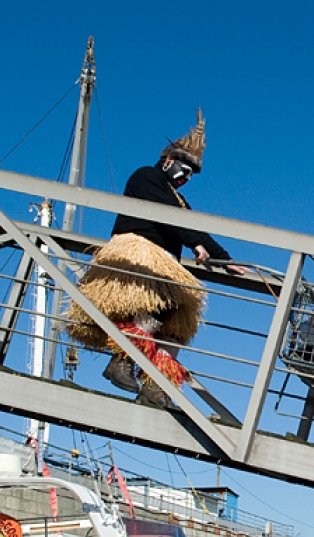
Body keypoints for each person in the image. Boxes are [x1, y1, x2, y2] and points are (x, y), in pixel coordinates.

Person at [65, 109, 247, 407]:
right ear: (168, 161)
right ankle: (121, 360)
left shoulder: (179, 199)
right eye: (184, 171)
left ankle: (156, 385)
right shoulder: (146, 177)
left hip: (163, 262)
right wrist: (194, 245)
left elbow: (192, 226)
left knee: (178, 322)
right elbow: (170, 217)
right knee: (164, 298)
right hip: (138, 254)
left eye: (191, 175)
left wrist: (224, 259)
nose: (186, 178)